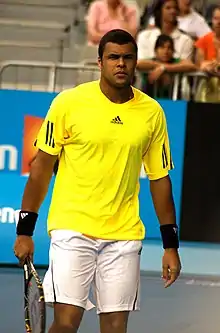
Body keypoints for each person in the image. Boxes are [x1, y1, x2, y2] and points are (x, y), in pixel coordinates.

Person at [14, 29, 181, 333]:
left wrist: (171, 245)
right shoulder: (68, 103)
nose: (121, 64)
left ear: (135, 62)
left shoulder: (152, 113)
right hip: (72, 228)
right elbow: (40, 169)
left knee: (116, 329)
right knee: (65, 324)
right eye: (113, 57)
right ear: (100, 62)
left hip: (124, 235)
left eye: (127, 58)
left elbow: (160, 179)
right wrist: (25, 230)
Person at [145, 0, 211, 40]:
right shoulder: (160, 16)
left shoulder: (199, 20)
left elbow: (210, 39)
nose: (188, 1)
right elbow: (149, 35)